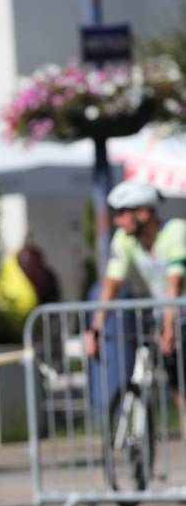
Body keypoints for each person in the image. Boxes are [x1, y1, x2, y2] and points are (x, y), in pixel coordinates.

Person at [85, 181, 186, 432]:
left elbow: (175, 284)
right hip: (169, 317)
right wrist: (95, 328)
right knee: (180, 395)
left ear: (143, 212)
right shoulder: (125, 240)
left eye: (122, 213)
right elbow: (110, 286)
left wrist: (169, 327)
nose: (116, 221)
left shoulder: (176, 231)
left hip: (176, 317)